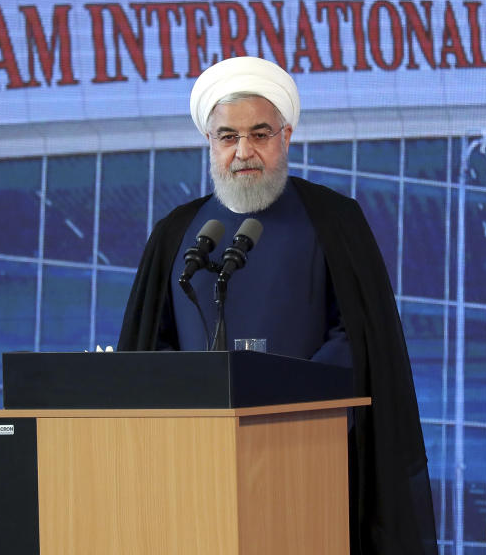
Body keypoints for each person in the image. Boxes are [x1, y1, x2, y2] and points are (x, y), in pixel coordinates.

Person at [117, 56, 438, 554]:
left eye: (259, 134)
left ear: (285, 137)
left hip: (309, 460)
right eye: (228, 137)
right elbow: (147, 347)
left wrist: (281, 404)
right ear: (210, 144)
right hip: (194, 467)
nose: (244, 151)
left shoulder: (335, 220)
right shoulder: (177, 233)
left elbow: (358, 341)